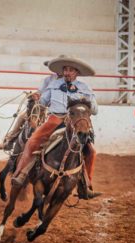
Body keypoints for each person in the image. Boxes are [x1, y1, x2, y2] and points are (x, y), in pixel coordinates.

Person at [11, 56, 98, 198]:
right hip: (55, 119)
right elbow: (43, 102)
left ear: (77, 72)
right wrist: (37, 99)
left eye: (71, 70)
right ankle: (20, 174)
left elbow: (95, 110)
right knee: (32, 142)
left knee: (91, 152)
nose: (67, 72)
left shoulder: (85, 88)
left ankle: (86, 186)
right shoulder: (53, 84)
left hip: (77, 122)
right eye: (65, 70)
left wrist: (86, 101)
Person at [0, 55, 65, 150]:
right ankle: (10, 140)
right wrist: (35, 95)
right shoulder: (48, 79)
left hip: (57, 110)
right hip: (42, 106)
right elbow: (40, 91)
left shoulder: (68, 82)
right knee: (22, 117)